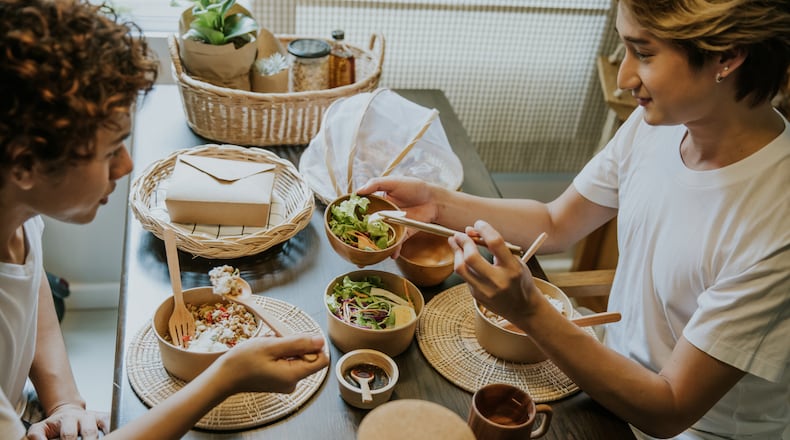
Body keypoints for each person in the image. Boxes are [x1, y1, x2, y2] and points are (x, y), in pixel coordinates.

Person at [359, 1, 790, 439]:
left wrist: (529, 311)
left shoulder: (777, 224)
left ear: (728, 57)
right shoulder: (660, 125)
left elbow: (670, 409)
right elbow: (556, 221)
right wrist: (437, 203)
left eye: (643, 53)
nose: (623, 80)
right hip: (603, 369)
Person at [0, 1, 329, 439]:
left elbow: (28, 282)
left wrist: (63, 401)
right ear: (24, 166)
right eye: (109, 152)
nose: (126, 165)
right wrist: (225, 377)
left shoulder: (16, 212)